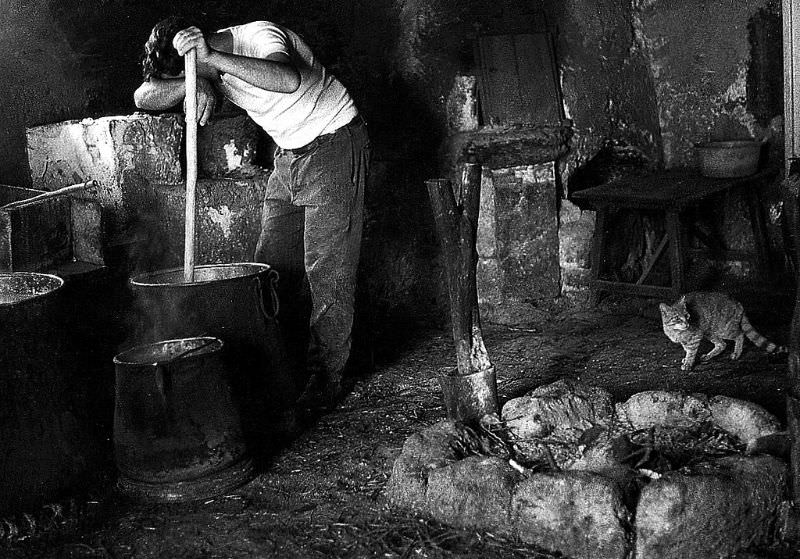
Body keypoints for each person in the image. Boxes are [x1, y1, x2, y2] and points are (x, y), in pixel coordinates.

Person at [134, 16, 370, 407]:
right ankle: (283, 370)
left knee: (327, 269)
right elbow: (144, 95)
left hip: (333, 141)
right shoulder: (204, 65)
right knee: (271, 267)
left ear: (205, 44)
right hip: (289, 155)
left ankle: (326, 379)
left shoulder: (259, 36)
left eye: (198, 64)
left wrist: (212, 62)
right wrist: (194, 82)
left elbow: (288, 79)